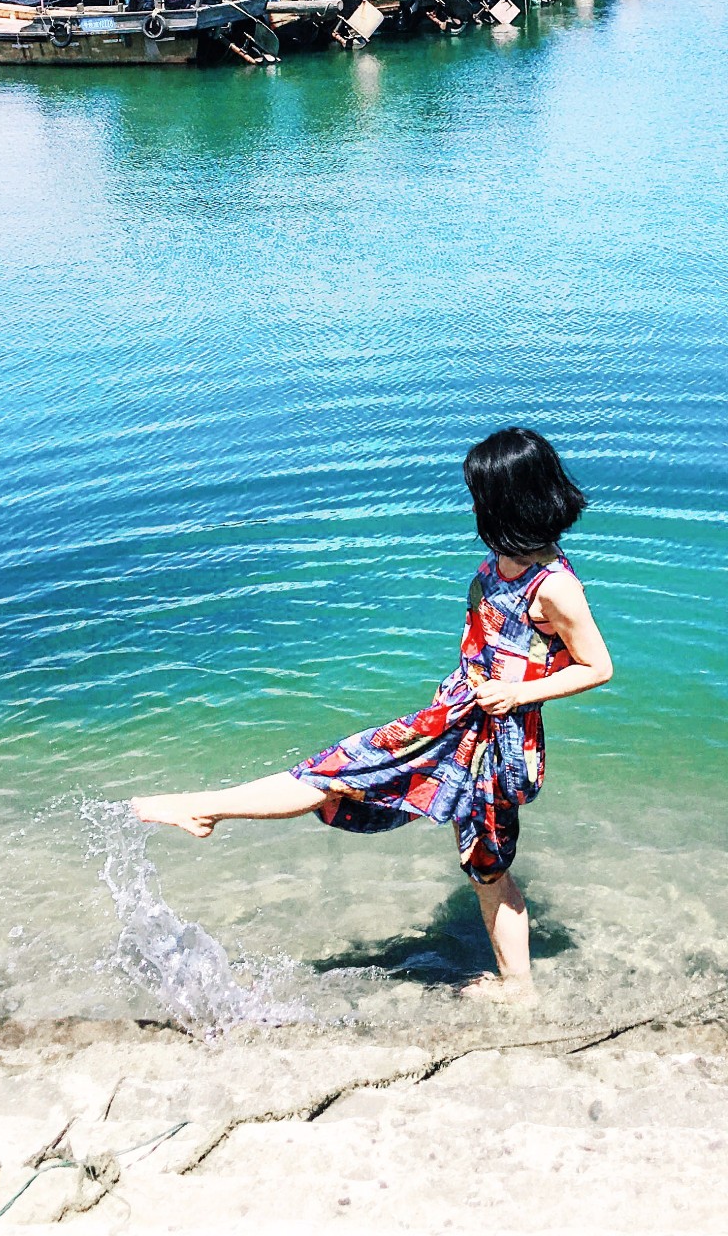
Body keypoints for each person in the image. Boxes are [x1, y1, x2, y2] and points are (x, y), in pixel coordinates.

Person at [132, 428, 612, 1001]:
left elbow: (597, 666)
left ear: (510, 502)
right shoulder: (504, 559)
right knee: (345, 775)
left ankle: (519, 988)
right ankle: (205, 807)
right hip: (453, 721)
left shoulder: (555, 585)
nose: (474, 504)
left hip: (493, 741)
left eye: (481, 495)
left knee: (479, 861)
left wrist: (518, 695)